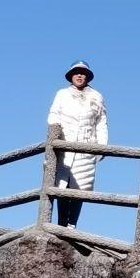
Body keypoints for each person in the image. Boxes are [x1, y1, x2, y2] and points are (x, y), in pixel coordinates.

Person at [47, 60, 108, 229]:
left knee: (80, 187)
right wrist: (55, 137)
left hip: (86, 147)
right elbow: (53, 116)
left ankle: (72, 224)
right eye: (76, 72)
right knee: (61, 186)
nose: (79, 75)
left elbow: (101, 122)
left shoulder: (97, 96)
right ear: (71, 76)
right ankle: (61, 224)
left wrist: (102, 146)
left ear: (87, 76)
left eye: (83, 73)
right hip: (64, 147)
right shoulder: (62, 94)